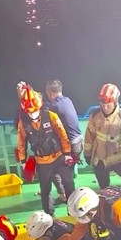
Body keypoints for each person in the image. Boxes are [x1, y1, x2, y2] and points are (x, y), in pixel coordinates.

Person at [16, 87, 76, 216]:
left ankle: (73, 211)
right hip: (42, 160)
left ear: (40, 106)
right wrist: (22, 160)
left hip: (59, 156)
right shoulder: (23, 122)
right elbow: (21, 142)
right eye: (29, 112)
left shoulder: (51, 116)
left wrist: (67, 154)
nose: (32, 114)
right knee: (45, 189)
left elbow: (62, 135)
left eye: (34, 111)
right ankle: (49, 215)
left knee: (69, 183)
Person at [84, 83, 121, 188]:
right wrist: (87, 153)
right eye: (102, 103)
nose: (105, 107)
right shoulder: (95, 116)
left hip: (118, 158)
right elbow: (89, 136)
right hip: (99, 158)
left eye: (108, 104)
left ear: (115, 101)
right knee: (104, 188)